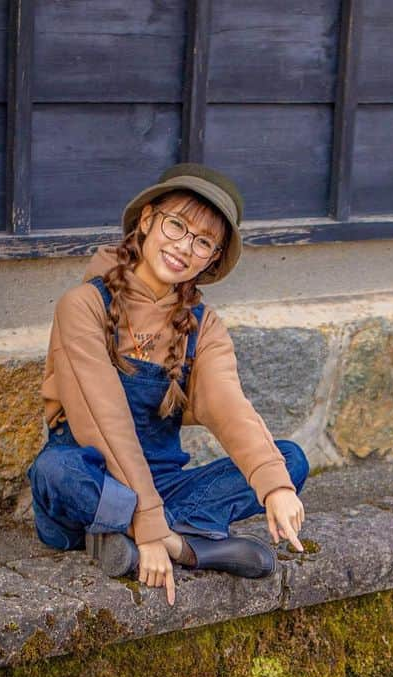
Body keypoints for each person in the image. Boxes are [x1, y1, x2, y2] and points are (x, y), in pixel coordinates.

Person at [28, 163, 309, 606]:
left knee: (287, 461)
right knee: (54, 472)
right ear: (147, 220)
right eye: (176, 225)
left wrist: (274, 485)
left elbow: (227, 404)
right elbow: (105, 420)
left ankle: (128, 539)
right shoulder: (83, 305)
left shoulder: (204, 326)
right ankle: (185, 544)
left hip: (162, 486)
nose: (184, 248)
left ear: (213, 258)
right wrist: (148, 520)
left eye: (203, 242)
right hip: (97, 478)